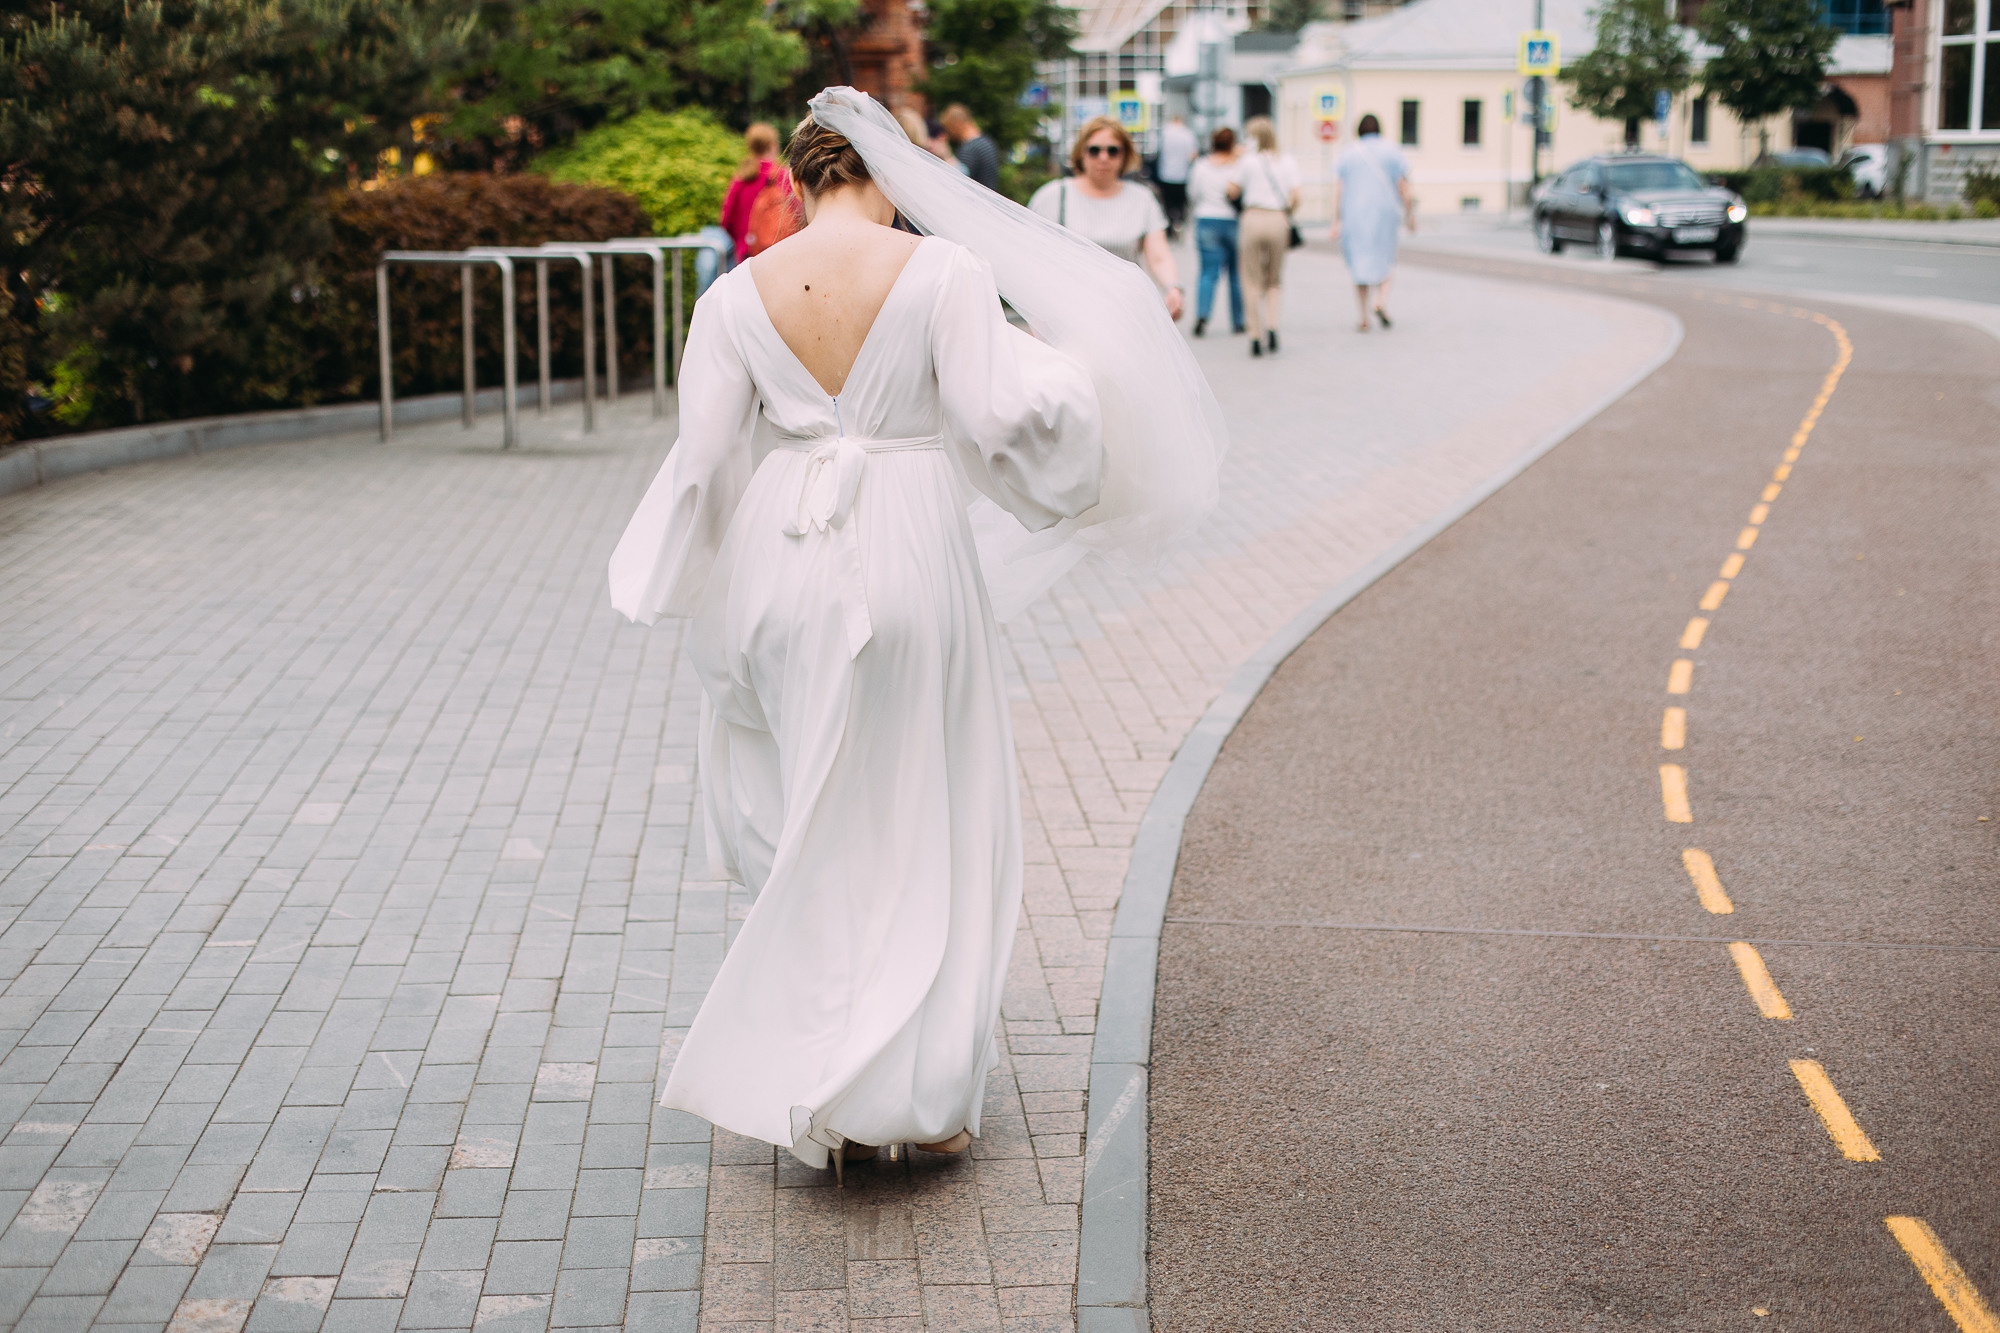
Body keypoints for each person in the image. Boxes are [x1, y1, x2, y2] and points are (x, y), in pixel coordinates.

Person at [609, 86, 1222, 1181]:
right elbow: (995, 422)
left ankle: (820, 1078)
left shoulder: (737, 295)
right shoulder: (941, 272)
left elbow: (703, 463)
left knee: (813, 813)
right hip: (909, 548)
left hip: (780, 557)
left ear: (796, 182)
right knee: (927, 810)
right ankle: (916, 1099)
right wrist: (1083, 394)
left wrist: (667, 580)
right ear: (888, 178)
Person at [1027, 117, 1183, 321]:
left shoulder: (1142, 199)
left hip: (1126, 311)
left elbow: (1158, 255)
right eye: (1094, 150)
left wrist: (1172, 287)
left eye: (1113, 151)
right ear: (1081, 153)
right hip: (1069, 312)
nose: (1103, 157)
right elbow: (1032, 258)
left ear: (1124, 155)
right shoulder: (1053, 196)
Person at [1331, 112, 1416, 332]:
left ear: (1358, 130)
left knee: (1359, 263)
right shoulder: (1392, 151)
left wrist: (1335, 221)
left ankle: (1363, 317)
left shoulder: (1347, 153)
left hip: (1354, 215)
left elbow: (1339, 190)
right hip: (1385, 214)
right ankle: (1380, 301)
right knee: (1386, 259)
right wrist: (1410, 215)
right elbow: (1403, 187)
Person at [1235, 116, 1299, 358]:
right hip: (1277, 219)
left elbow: (1232, 188)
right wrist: (1287, 212)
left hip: (1252, 218)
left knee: (1251, 279)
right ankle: (1273, 326)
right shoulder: (1287, 161)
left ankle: (1254, 334)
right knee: (1274, 279)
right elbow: (1296, 195)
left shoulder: (1247, 161)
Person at [1186, 126, 1244, 338]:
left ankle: (1203, 315)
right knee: (1237, 274)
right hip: (1233, 221)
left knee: (1208, 272)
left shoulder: (1201, 166)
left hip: (1206, 218)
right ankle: (1239, 321)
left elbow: (1192, 193)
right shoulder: (1238, 166)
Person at [720, 124, 784, 259]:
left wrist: (742, 239)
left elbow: (726, 219)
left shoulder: (741, 178)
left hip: (745, 254)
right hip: (776, 251)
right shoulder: (781, 176)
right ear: (773, 145)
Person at [1155, 115, 1199, 238]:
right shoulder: (1188, 134)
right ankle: (1179, 222)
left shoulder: (1164, 133)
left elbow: (1156, 151)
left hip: (1165, 174)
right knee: (1180, 203)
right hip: (1182, 175)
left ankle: (1169, 225)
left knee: (1167, 203)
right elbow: (1193, 155)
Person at [940, 104, 1001, 191]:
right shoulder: (988, 142)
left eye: (949, 128)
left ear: (957, 124)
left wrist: (945, 154)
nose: (948, 134)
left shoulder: (970, 149)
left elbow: (959, 178)